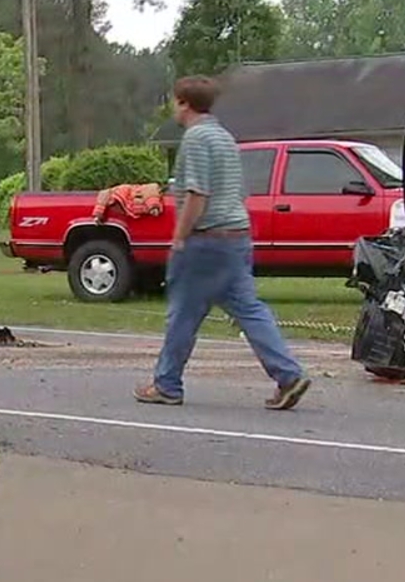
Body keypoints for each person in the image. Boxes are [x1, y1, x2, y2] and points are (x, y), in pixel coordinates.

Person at [134, 76, 313, 410]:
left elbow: (197, 194)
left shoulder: (197, 138)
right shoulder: (224, 137)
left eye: (175, 101)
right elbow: (237, 191)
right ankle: (288, 375)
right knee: (249, 309)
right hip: (237, 237)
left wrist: (179, 237)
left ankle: (167, 384)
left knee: (183, 313)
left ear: (184, 103)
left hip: (206, 240)